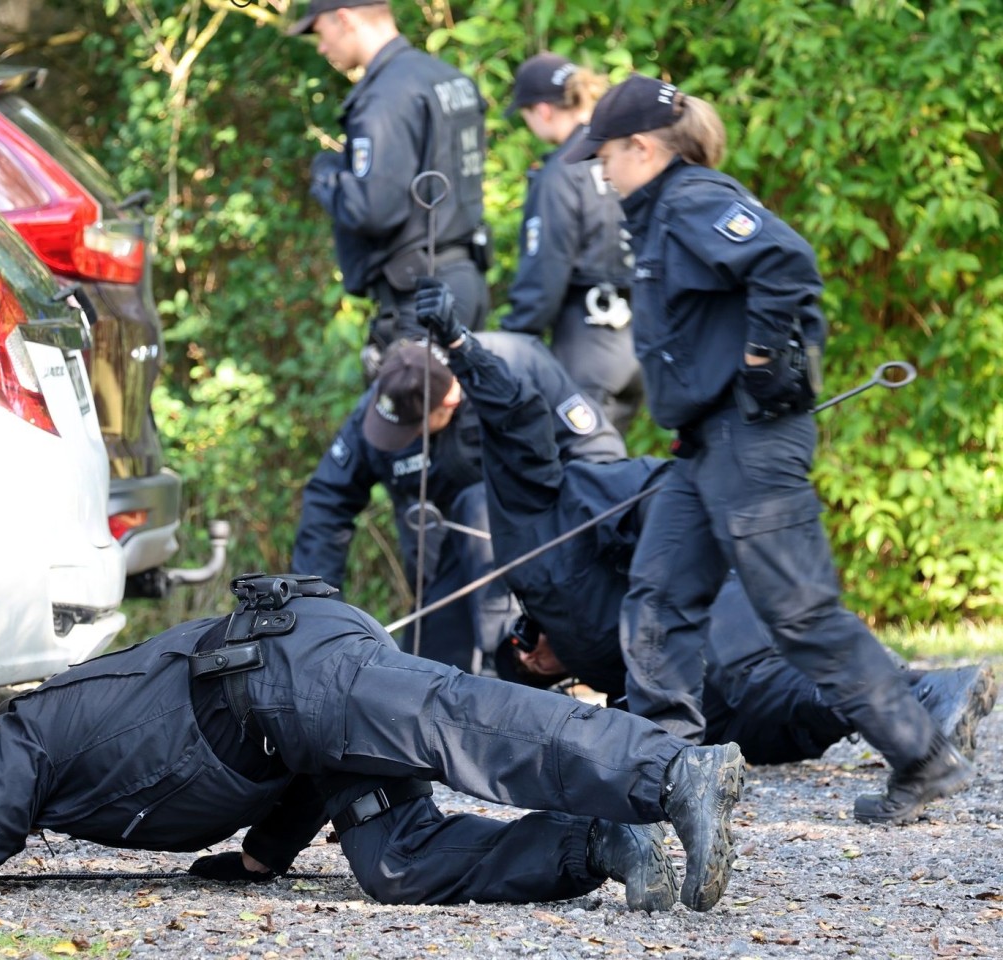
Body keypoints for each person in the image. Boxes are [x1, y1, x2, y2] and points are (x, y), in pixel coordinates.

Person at [559, 74, 973, 823]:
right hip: (702, 447)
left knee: (800, 613)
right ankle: (667, 778)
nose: (601, 170)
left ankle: (921, 754)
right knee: (658, 598)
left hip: (749, 441)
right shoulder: (658, 215)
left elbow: (783, 260)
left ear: (641, 148)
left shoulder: (690, 201)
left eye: (605, 156)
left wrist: (762, 362)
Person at [0, 573, 747, 913]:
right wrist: (262, 859)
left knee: (457, 723)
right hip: (286, 724)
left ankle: (674, 773)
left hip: (282, 668)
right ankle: (605, 845)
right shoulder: (78, 762)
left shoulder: (27, 730)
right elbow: (247, 768)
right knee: (397, 864)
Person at [414, 288, 998, 767]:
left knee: (761, 683)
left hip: (711, 610)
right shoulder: (542, 592)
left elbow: (520, 414)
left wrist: (461, 346)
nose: (530, 654)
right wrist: (532, 658)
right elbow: (545, 658)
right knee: (771, 731)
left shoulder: (570, 493)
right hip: (676, 682)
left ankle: (925, 692)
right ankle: (925, 715)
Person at [290, 332, 622, 672]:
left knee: (478, 504)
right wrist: (318, 618)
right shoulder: (394, 394)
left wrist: (584, 570)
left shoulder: (516, 363)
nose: (404, 436)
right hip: (446, 564)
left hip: (543, 551)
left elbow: (599, 457)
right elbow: (327, 502)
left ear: (450, 400)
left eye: (413, 427)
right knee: (422, 677)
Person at [290, 0, 489, 374]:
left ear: (345, 19)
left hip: (419, 300)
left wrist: (327, 173)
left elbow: (373, 209)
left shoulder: (385, 98)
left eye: (320, 32)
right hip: (464, 283)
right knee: (461, 427)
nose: (321, 46)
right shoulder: (447, 78)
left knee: (407, 431)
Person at [501, 53, 644, 437]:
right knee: (609, 473)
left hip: (587, 349)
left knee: (583, 478)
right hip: (636, 343)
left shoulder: (563, 172)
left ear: (543, 110)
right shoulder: (626, 155)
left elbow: (544, 274)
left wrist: (509, 344)